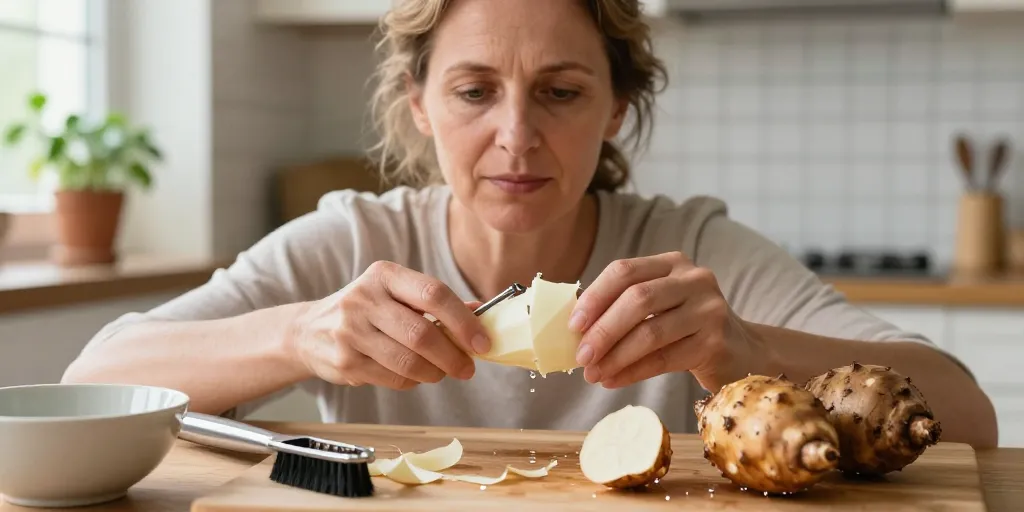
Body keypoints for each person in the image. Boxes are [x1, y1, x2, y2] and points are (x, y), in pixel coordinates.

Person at [62, 0, 997, 448]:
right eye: (474, 91)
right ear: (420, 104)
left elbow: (970, 413)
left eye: (560, 92)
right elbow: (93, 378)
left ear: (617, 108)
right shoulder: (352, 240)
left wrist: (744, 347)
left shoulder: (691, 247)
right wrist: (301, 333)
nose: (517, 138)